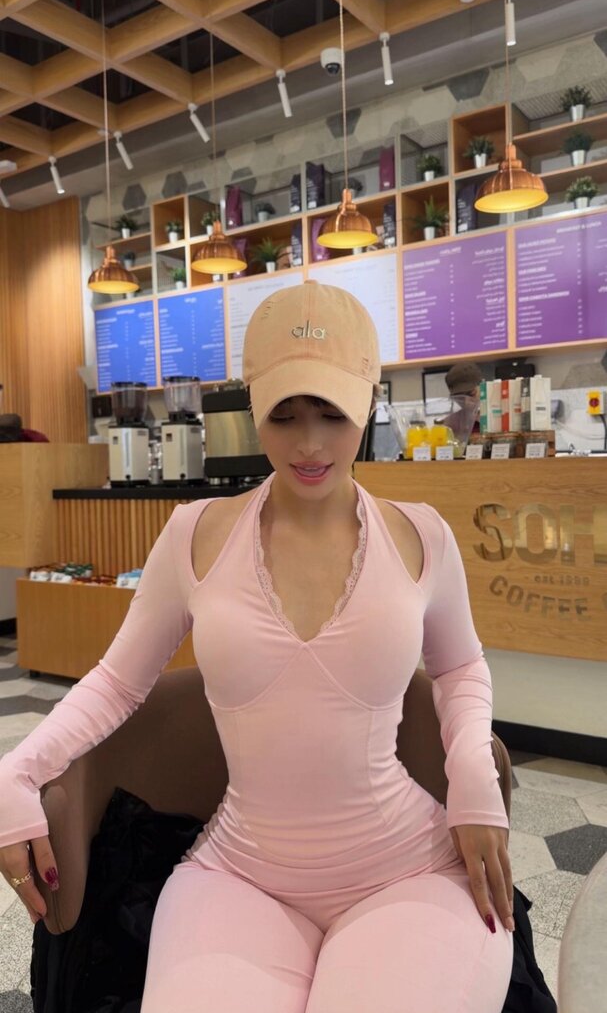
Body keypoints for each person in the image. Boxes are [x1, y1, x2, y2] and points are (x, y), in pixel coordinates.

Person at [0, 281, 514, 1013]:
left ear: (368, 403)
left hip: (409, 869)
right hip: (239, 875)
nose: (309, 444)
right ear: (253, 407)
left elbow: (460, 667)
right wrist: (16, 771)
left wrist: (472, 778)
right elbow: (117, 681)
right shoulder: (195, 534)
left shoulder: (421, 533)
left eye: (331, 413)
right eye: (284, 414)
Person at [439, 360, 483, 440]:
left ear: (482, 387)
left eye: (471, 394)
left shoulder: (496, 417)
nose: (466, 402)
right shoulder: (449, 425)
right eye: (460, 398)